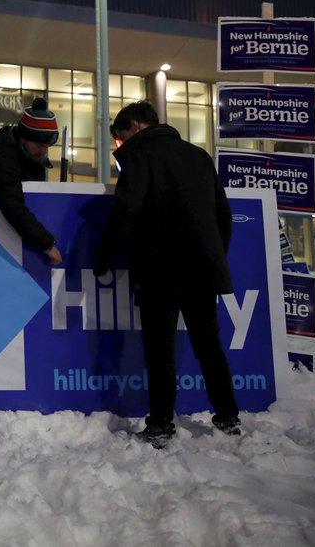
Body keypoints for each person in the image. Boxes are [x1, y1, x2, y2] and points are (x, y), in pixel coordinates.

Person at [91, 101, 241, 447]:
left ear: (137, 125)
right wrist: (215, 255)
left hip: (160, 267)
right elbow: (223, 215)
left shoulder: (140, 156)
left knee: (159, 349)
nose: (119, 144)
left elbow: (126, 209)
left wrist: (104, 259)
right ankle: (229, 416)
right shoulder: (199, 156)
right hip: (202, 266)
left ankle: (161, 423)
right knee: (209, 345)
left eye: (121, 135)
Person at [0, 97, 63, 265]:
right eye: (38, 144)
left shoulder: (31, 157)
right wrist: (46, 243)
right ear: (24, 138)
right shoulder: (3, 158)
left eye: (46, 145)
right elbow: (13, 205)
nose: (43, 150)